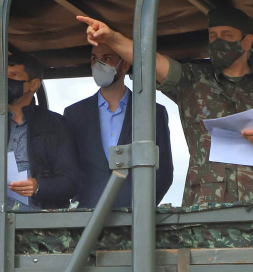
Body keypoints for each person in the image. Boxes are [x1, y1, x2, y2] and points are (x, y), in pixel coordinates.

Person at [78, 7, 253, 206]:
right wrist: (112, 37)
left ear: (246, 42)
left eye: (227, 35)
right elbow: (148, 61)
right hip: (207, 203)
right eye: (213, 36)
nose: (218, 42)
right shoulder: (192, 79)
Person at [0, 53, 80, 212]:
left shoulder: (56, 124)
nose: (6, 82)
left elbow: (71, 183)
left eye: (14, 75)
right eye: (2, 76)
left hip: (41, 226)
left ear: (34, 84)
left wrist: (38, 186)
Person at [64, 41, 174, 208]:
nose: (98, 65)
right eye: (95, 59)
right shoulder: (74, 114)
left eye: (107, 58)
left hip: (136, 216)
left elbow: (164, 171)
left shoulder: (152, 112)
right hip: (87, 213)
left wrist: (144, 206)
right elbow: (69, 168)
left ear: (125, 64)